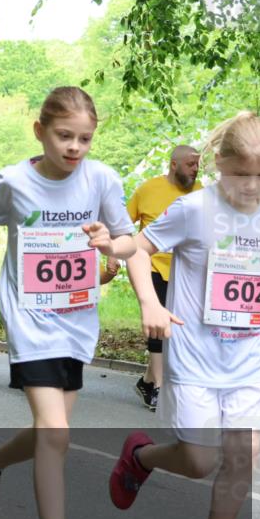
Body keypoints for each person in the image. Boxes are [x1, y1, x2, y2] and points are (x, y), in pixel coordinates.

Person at [0, 87, 135, 519]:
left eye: (85, 139)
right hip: (29, 317)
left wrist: (109, 245)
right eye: (64, 135)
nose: (75, 147)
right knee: (54, 433)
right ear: (40, 131)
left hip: (76, 318)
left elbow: (130, 241)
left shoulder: (102, 180)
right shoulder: (13, 182)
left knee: (54, 434)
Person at [110, 112, 260, 519]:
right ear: (219, 164)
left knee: (244, 453)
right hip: (196, 356)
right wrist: (149, 303)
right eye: (242, 175)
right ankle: (141, 457)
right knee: (199, 461)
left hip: (249, 359)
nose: (252, 185)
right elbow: (136, 249)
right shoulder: (194, 209)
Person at [114, 144, 201, 411]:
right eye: (190, 164)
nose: (195, 170)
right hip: (151, 265)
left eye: (198, 165)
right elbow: (123, 223)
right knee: (159, 327)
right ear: (174, 164)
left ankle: (147, 381)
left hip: (185, 273)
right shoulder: (148, 189)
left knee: (174, 330)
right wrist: (113, 256)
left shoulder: (202, 195)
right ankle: (160, 388)